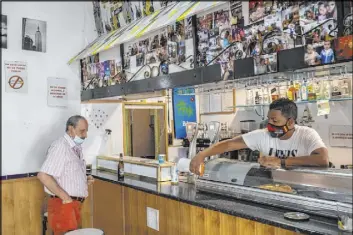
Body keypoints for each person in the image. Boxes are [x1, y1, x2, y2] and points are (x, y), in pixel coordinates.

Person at [190, 98, 329, 175]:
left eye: (275, 121)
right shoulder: (263, 135)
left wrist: (281, 161)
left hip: (304, 192)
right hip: (274, 188)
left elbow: (323, 160)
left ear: (291, 122)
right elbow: (229, 144)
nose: (270, 124)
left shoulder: (306, 134)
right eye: (269, 119)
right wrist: (201, 155)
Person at [38, 115, 94, 235]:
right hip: (63, 205)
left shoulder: (75, 147)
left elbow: (66, 173)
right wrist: (65, 197)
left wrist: (83, 179)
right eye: (82, 131)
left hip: (73, 205)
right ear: (71, 129)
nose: (85, 135)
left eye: (86, 131)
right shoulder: (60, 146)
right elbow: (43, 175)